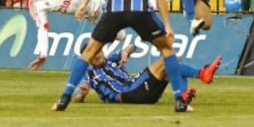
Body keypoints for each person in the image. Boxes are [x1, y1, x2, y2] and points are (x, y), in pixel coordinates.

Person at [51, 0, 196, 113]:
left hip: (114, 12)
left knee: (88, 53)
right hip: (140, 12)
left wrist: (83, 5)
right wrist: (167, 25)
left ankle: (64, 98)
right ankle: (180, 100)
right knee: (167, 50)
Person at [73, 43, 222, 106]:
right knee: (168, 60)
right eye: (92, 54)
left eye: (97, 50)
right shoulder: (89, 74)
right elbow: (77, 97)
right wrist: (82, 93)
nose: (97, 54)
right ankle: (202, 74)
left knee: (174, 61)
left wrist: (126, 51)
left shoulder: (112, 59)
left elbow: (133, 46)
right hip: (126, 94)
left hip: (140, 92)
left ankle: (183, 96)